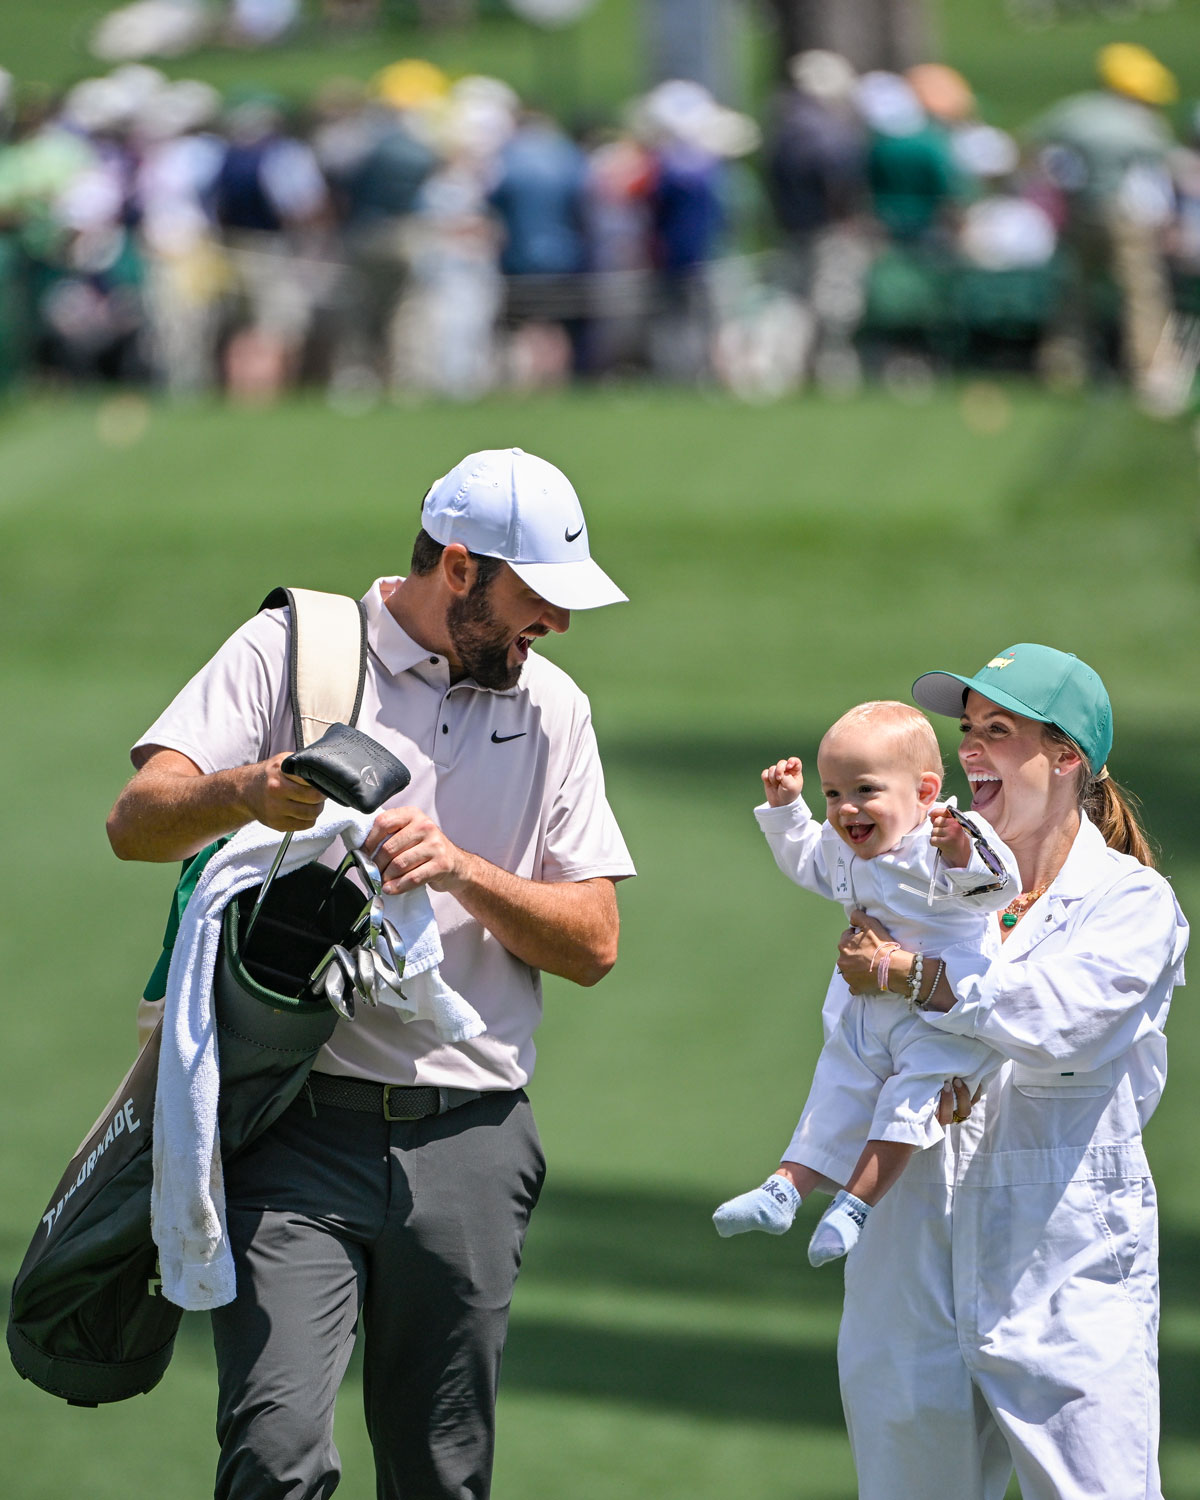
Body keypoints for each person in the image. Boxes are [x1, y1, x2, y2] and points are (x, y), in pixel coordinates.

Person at [105, 446, 636, 1500]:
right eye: (538, 597)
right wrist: (247, 791)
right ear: (456, 566)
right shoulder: (293, 648)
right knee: (275, 1457)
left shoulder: (554, 708)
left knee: (442, 1477)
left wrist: (465, 872)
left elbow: (594, 941)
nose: (558, 627)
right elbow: (137, 824)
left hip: (472, 1137)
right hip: (294, 1125)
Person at [830, 643, 1187, 1500]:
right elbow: (856, 1043)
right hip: (907, 1254)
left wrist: (918, 980)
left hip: (1062, 1263)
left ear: (1068, 758)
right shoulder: (905, 882)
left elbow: (1058, 1026)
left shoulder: (1131, 905)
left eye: (1000, 731)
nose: (971, 752)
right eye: (967, 731)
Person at [712, 701, 1018, 1263]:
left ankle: (854, 1205)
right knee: (838, 1083)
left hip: (943, 1011)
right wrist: (787, 812)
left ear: (925, 793)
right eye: (832, 794)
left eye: (865, 791)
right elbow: (809, 862)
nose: (846, 809)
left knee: (909, 1098)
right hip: (870, 1006)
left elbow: (1001, 889)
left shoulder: (946, 834)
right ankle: (785, 1188)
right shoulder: (848, 845)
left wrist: (961, 854)